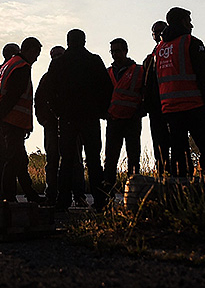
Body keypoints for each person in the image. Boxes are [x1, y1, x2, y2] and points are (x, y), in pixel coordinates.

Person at [50, 28, 113, 210]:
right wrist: (101, 110)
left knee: (67, 160)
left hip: (67, 118)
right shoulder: (94, 61)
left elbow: (49, 91)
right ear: (84, 41)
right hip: (90, 117)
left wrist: (58, 112)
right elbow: (107, 88)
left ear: (68, 41)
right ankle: (100, 201)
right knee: (94, 160)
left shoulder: (59, 64)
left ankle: (63, 201)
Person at [155, 7, 205, 179]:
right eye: (189, 20)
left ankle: (180, 191)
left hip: (170, 110)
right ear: (183, 21)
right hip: (195, 106)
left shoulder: (160, 49)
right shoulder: (192, 42)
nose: (191, 24)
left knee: (179, 153)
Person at [0, 37, 43, 202]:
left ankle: (28, 194)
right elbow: (14, 95)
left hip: (7, 120)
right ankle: (10, 196)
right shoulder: (22, 67)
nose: (36, 58)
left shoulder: (6, 67)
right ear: (30, 50)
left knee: (17, 159)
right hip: (14, 121)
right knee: (13, 160)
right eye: (36, 54)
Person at [103, 37, 145, 196]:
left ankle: (134, 192)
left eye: (118, 51)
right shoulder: (108, 72)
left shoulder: (139, 70)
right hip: (113, 120)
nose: (115, 55)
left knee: (133, 156)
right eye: (112, 52)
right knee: (110, 158)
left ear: (126, 51)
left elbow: (144, 93)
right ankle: (108, 192)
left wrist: (140, 111)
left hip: (132, 120)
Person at [34, 45, 65, 204]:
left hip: (69, 124)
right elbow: (38, 100)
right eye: (54, 55)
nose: (57, 57)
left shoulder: (70, 75)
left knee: (73, 161)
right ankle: (52, 193)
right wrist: (43, 120)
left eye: (59, 54)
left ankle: (75, 194)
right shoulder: (47, 78)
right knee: (52, 160)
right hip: (52, 125)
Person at [141, 21, 171, 175]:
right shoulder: (151, 57)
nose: (158, 34)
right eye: (156, 32)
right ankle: (162, 173)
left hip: (172, 105)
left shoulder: (171, 50)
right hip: (156, 107)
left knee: (177, 143)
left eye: (161, 31)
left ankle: (179, 177)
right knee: (159, 144)